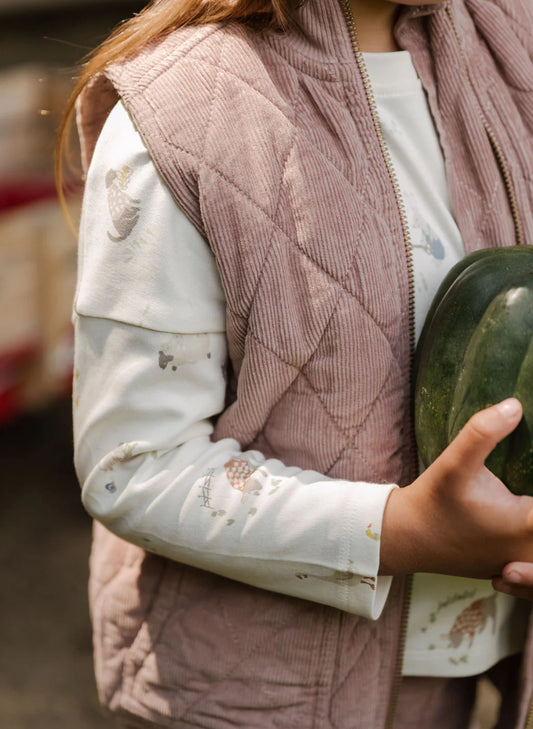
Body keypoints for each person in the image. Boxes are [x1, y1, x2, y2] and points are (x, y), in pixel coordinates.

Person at [58, 0, 533, 726]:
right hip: (261, 689)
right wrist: (400, 528)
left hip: (463, 675)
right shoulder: (186, 113)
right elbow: (135, 462)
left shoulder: (513, 43)